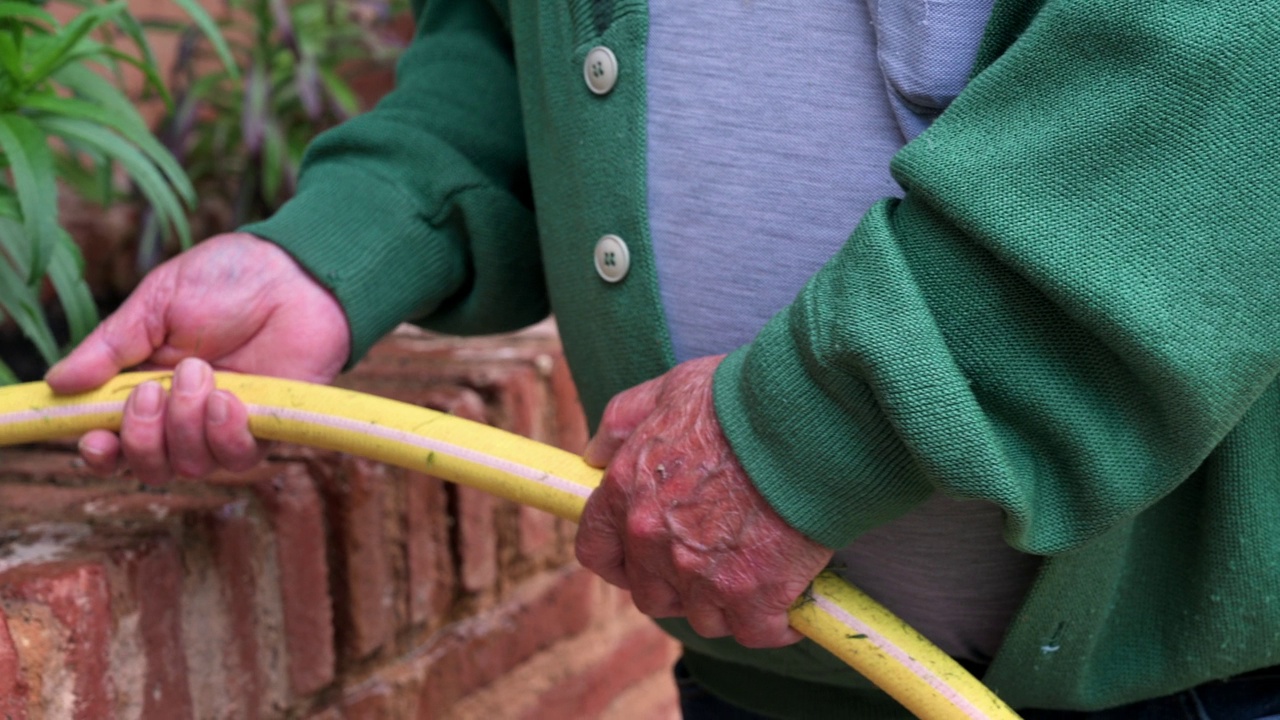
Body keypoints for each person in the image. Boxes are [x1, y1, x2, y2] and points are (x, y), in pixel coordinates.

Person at [45, 0, 1280, 717]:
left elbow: (1228, 67)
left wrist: (811, 434)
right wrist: (342, 252)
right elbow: (518, 30)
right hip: (774, 687)